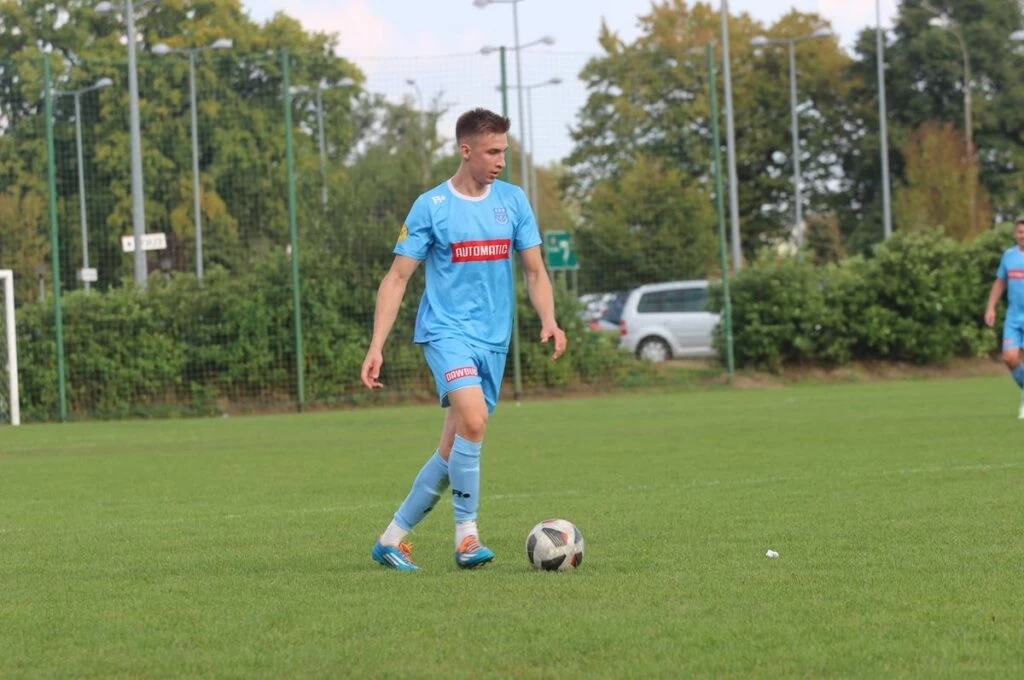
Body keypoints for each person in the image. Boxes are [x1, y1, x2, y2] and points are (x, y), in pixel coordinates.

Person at [360, 107, 567, 571]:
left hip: (493, 339)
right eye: (492, 152)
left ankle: (391, 539)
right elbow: (397, 278)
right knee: (474, 420)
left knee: (453, 448)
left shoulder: (513, 201)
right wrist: (376, 345)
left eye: (504, 152)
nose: (501, 161)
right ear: (466, 150)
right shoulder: (431, 206)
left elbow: (535, 272)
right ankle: (467, 538)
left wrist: (549, 319)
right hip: (445, 332)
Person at [984, 218, 1024, 419]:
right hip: (1014, 318)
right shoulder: (1008, 256)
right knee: (1009, 357)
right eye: (1020, 232)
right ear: (1015, 234)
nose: (1023, 235)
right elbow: (1000, 282)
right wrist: (991, 307)